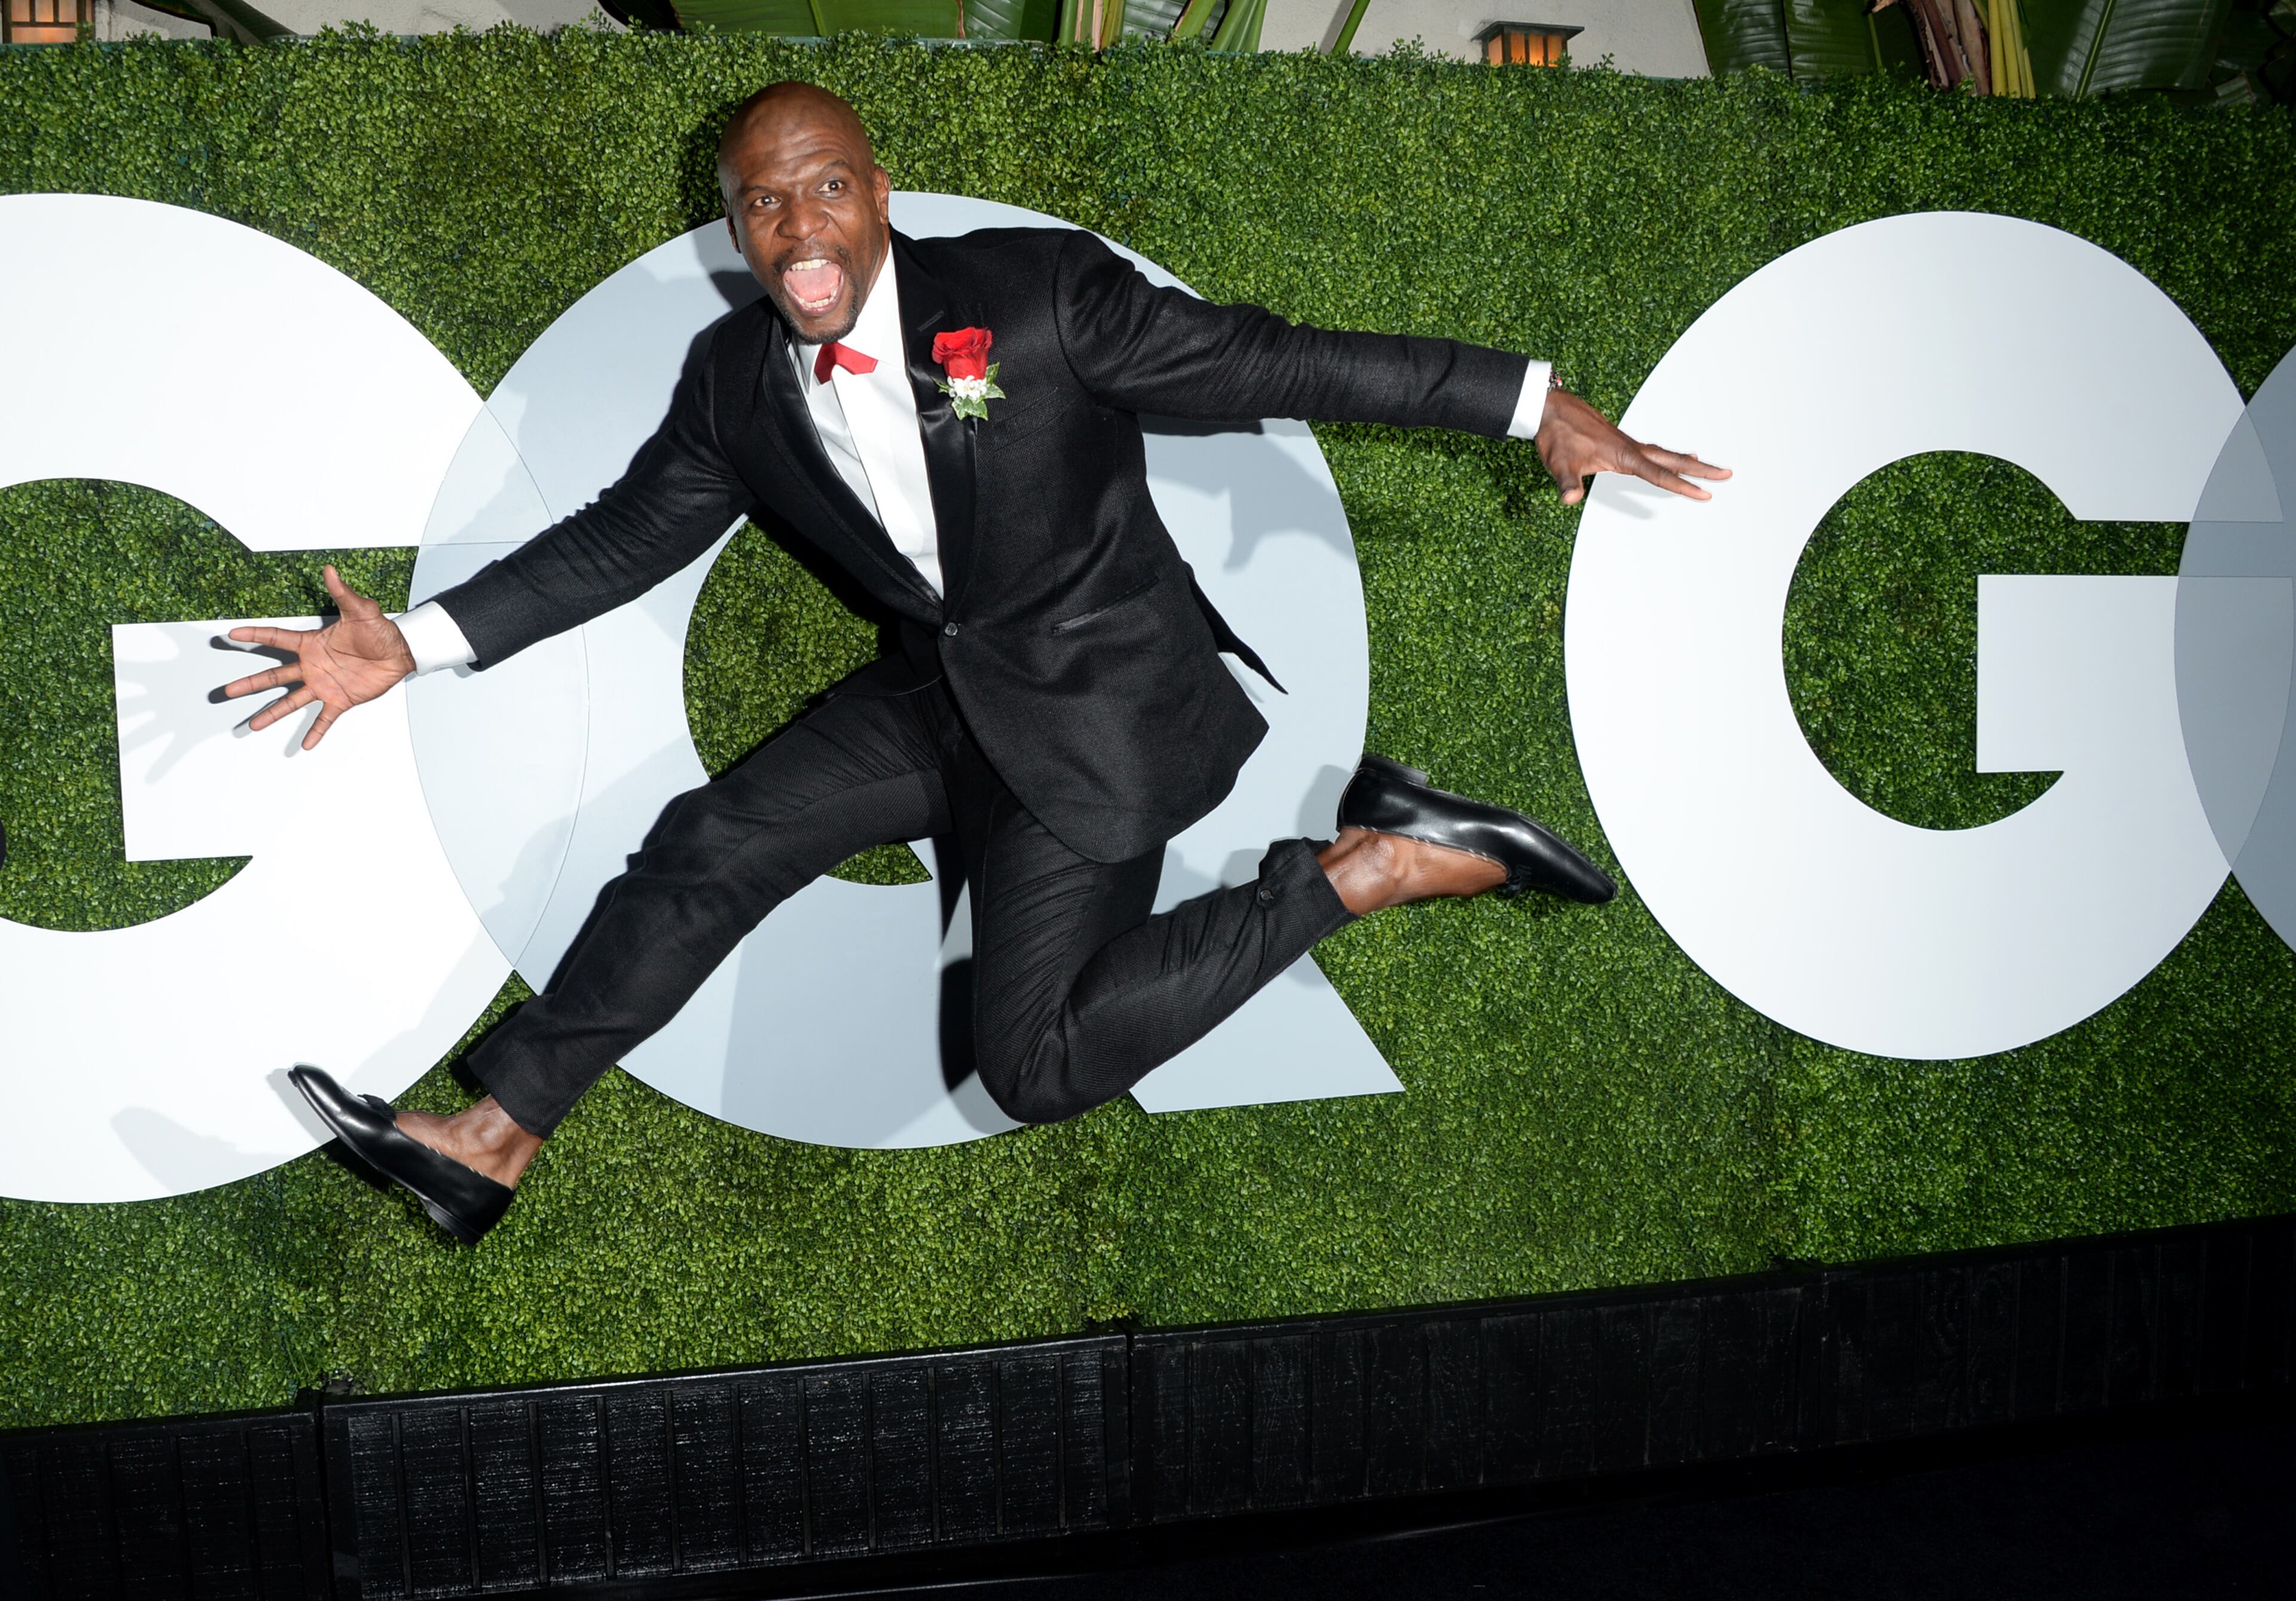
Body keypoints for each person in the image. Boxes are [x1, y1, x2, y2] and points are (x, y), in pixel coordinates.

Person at [231, 83, 1727, 1245]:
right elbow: (630, 536)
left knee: (1037, 1063)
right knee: (715, 840)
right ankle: (493, 1140)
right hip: (942, 695)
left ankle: (1369, 865)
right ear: (734, 229)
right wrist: (412, 646)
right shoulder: (738, 379)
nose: (799, 232)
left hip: (1099, 716)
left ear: (880, 194)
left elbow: (1271, 360)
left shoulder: (1033, 300)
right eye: (763, 206)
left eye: (825, 190)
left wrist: (1529, 401)